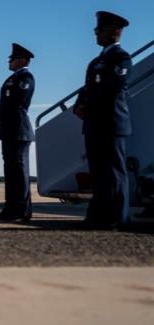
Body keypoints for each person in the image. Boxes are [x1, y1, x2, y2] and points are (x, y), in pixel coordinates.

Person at [73, 11, 132, 228]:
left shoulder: (121, 58)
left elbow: (112, 89)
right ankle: (98, 216)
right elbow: (88, 88)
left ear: (115, 32)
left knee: (114, 171)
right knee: (98, 172)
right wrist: (78, 106)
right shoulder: (96, 61)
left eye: (100, 30)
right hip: (94, 123)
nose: (96, 34)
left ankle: (117, 218)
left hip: (111, 122)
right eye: (96, 30)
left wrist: (88, 107)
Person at [0, 43, 36, 221]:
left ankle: (22, 210)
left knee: (19, 172)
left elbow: (17, 100)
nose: (9, 61)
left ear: (23, 60)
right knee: (10, 172)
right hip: (8, 129)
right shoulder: (12, 79)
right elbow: (2, 100)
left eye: (13, 58)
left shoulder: (26, 77)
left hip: (18, 128)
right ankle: (10, 208)